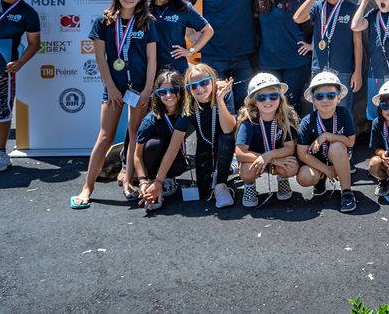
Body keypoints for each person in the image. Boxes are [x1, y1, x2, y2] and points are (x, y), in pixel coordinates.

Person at [71, 0, 158, 208]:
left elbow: (152, 59)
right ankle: (87, 186)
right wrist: (110, 87)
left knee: (134, 135)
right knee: (105, 136)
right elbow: (100, 58)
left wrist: (148, 90)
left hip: (139, 89)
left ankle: (128, 181)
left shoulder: (146, 21)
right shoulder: (103, 21)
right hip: (113, 88)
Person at [144, 63, 236, 209]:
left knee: (225, 138)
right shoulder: (189, 105)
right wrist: (158, 182)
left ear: (212, 80)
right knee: (204, 189)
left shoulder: (224, 94)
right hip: (204, 145)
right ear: (188, 89)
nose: (199, 88)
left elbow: (228, 128)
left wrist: (219, 100)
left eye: (204, 82)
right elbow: (173, 147)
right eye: (193, 86)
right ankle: (230, 169)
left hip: (224, 144)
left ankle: (221, 184)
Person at [184, 0, 261, 108]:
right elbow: (181, 3)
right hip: (213, 56)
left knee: (246, 106)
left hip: (244, 56)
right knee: (217, 105)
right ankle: (221, 136)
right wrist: (190, 28)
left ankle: (240, 135)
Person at [0, 0, 41, 173]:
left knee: (1, 111)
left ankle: (0, 153)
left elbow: (35, 43)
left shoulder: (28, 13)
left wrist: (19, 63)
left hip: (3, 70)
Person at [293, 0, 362, 110]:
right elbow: (298, 18)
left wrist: (357, 72)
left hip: (343, 70)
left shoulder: (351, 8)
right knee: (319, 110)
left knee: (342, 111)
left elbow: (357, 42)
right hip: (319, 69)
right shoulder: (318, 7)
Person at [234, 73, 300, 208]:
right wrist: (271, 159)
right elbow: (240, 153)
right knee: (246, 171)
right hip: (256, 161)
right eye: (262, 97)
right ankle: (250, 185)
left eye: (273, 96)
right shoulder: (249, 122)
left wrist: (268, 156)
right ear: (254, 101)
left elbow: (289, 148)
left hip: (275, 159)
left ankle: (282, 179)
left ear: (280, 98)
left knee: (292, 166)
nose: (268, 101)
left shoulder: (286, 118)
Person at [255, 0, 312, 114]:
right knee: (270, 106)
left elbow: (314, 26)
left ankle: (292, 137)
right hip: (268, 62)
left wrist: (312, 44)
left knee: (291, 106)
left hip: (295, 63)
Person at [295, 71, 357, 213]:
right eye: (319, 96)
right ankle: (320, 179)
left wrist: (326, 136)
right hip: (319, 163)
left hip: (338, 157)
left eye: (331, 95)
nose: (325, 100)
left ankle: (347, 191)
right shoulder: (307, 121)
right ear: (313, 100)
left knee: (336, 147)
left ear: (339, 98)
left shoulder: (344, 113)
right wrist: (326, 169)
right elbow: (302, 154)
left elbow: (350, 142)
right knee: (304, 178)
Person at [133, 69, 189, 211]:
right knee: (154, 144)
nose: (168, 95)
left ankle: (168, 179)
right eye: (162, 92)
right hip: (154, 161)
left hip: (176, 159)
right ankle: (153, 184)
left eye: (173, 90)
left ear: (181, 90)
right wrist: (143, 181)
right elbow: (137, 155)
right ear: (157, 95)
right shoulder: (150, 120)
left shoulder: (187, 111)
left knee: (177, 158)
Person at [146, 0, 212, 74]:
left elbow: (208, 30)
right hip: (147, 70)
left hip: (176, 71)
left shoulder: (182, 7)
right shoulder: (144, 8)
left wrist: (191, 51)